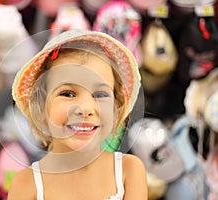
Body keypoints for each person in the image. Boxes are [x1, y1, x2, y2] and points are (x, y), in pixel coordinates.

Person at [8, 29, 148, 200]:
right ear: (41, 106)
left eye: (99, 95)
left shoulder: (128, 171)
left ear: (115, 107)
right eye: (67, 94)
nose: (85, 108)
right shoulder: (26, 185)